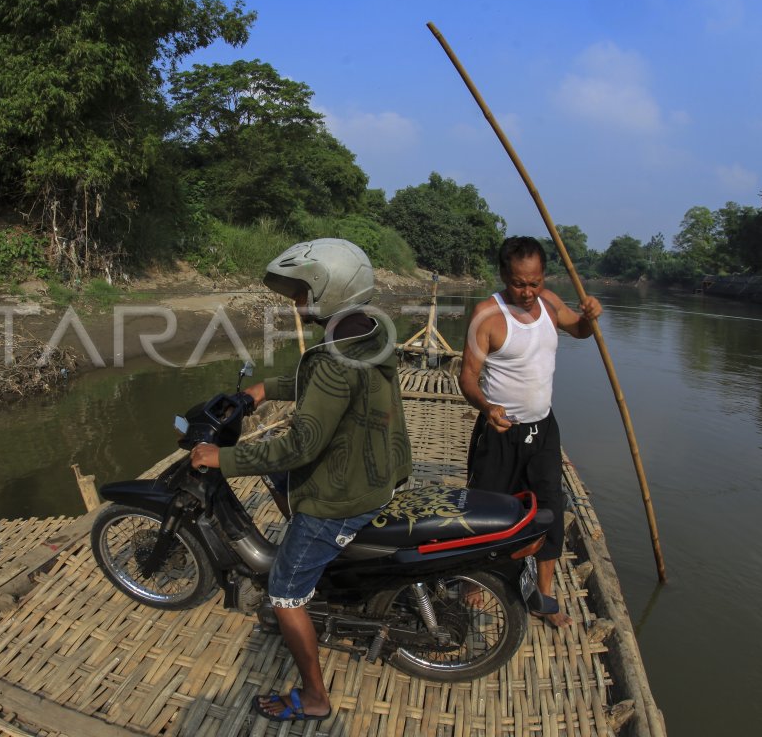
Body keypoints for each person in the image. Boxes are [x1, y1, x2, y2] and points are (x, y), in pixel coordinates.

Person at [190, 239, 412, 723]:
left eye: (302, 290)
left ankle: (314, 697)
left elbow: (299, 447)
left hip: (342, 494)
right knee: (282, 478)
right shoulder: (369, 330)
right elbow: (325, 385)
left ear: (330, 290)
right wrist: (266, 388)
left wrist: (221, 457)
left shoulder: (333, 355)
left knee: (284, 591)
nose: (297, 301)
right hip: (379, 466)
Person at [459, 236, 602, 629]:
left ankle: (543, 596)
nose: (528, 291)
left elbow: (580, 330)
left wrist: (590, 315)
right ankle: (473, 583)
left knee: (550, 510)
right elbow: (468, 378)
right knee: (487, 510)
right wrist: (486, 407)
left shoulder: (550, 304)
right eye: (520, 283)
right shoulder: (487, 315)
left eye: (535, 282)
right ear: (504, 275)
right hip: (499, 430)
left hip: (542, 431)